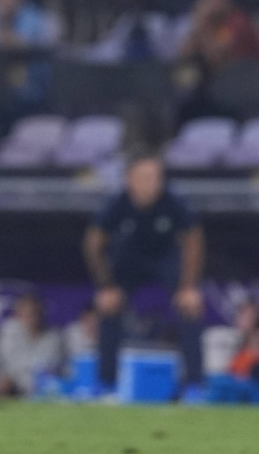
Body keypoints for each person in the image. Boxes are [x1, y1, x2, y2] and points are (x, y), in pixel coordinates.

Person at [83, 154, 206, 389]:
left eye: (157, 178)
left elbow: (194, 239)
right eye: (145, 177)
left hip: (165, 257)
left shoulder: (173, 201)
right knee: (108, 305)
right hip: (128, 259)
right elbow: (93, 243)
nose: (152, 183)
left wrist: (189, 286)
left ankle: (195, 385)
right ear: (130, 179)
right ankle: (105, 383)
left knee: (191, 306)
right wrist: (106, 286)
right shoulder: (116, 203)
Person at [0, 293, 62, 397]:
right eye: (25, 313)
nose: (30, 318)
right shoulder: (8, 331)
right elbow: (4, 365)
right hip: (12, 387)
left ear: (41, 314)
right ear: (17, 314)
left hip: (42, 390)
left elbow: (50, 370)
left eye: (34, 313)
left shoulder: (53, 337)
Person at [177, 0, 259, 70]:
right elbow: (184, 54)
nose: (212, 5)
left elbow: (217, 56)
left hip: (255, 71)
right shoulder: (214, 25)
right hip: (231, 73)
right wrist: (198, 25)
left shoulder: (238, 21)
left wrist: (202, 23)